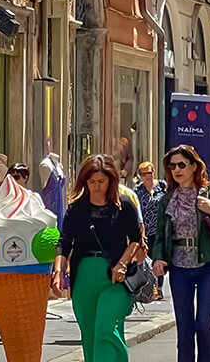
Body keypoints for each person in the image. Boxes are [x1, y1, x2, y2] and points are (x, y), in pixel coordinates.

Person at [151, 146, 210, 362]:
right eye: (172, 166)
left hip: (208, 266)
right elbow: (161, 234)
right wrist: (158, 257)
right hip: (180, 268)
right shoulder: (167, 199)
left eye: (182, 164)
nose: (177, 170)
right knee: (185, 327)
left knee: (204, 323)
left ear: (193, 166)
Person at [53, 154, 144, 362]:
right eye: (91, 181)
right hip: (84, 275)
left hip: (114, 277)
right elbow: (64, 242)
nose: (96, 186)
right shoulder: (77, 208)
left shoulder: (125, 205)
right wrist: (58, 272)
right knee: (90, 334)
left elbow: (136, 239)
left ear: (111, 181)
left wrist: (122, 264)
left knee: (106, 328)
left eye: (101, 181)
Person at [135, 161, 168, 300]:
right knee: (147, 261)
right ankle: (149, 288)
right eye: (144, 174)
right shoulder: (137, 190)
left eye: (149, 173)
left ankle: (159, 288)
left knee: (158, 259)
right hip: (145, 231)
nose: (147, 176)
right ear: (140, 176)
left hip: (160, 230)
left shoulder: (162, 186)